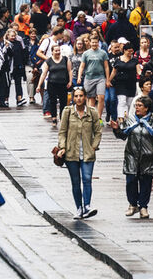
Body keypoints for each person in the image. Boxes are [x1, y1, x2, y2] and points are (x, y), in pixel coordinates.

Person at [110, 95, 153, 219]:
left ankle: (143, 206)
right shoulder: (130, 119)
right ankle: (132, 204)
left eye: (140, 106)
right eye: (136, 105)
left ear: (146, 108)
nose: (137, 108)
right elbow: (123, 135)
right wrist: (116, 129)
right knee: (131, 180)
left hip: (147, 157)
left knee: (145, 182)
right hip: (132, 155)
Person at [56, 88, 102, 219]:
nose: (79, 98)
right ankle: (79, 208)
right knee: (75, 182)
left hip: (87, 152)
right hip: (71, 153)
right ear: (73, 98)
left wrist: (94, 146)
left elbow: (98, 131)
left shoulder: (92, 112)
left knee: (87, 179)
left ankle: (87, 206)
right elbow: (62, 131)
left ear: (85, 97)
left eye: (81, 96)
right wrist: (62, 147)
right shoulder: (67, 112)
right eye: (76, 96)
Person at [77, 33, 110, 120]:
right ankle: (90, 116)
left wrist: (108, 79)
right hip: (89, 78)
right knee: (90, 98)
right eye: (93, 42)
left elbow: (106, 67)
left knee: (101, 97)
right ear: (90, 43)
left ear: (98, 43)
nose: (94, 44)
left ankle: (99, 117)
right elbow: (82, 66)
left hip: (100, 77)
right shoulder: (86, 53)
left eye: (96, 42)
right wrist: (79, 77)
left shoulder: (103, 53)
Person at [39, 45, 72, 128]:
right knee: (52, 101)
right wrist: (39, 85)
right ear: (52, 52)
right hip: (52, 84)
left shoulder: (65, 59)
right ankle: (54, 118)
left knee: (63, 102)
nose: (58, 52)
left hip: (63, 83)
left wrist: (70, 81)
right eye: (56, 51)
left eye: (59, 50)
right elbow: (44, 74)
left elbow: (70, 71)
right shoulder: (49, 61)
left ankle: (62, 118)